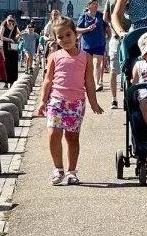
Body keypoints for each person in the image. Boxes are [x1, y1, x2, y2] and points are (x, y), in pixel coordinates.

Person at [36, 16, 103, 185]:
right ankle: (58, 169)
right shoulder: (54, 56)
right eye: (60, 37)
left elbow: (89, 81)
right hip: (56, 101)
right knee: (53, 135)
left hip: (76, 103)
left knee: (72, 138)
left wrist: (93, 101)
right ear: (55, 39)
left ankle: (71, 171)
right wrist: (42, 101)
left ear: (76, 35)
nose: (65, 40)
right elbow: (48, 80)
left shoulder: (85, 56)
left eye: (68, 35)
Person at [103, 0, 129, 108]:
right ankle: (127, 98)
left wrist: (113, 26)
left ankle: (114, 99)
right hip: (130, 36)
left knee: (114, 69)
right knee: (130, 67)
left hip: (116, 37)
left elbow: (105, 17)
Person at [76, 0, 107, 91]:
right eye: (93, 4)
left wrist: (109, 36)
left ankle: (96, 84)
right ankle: (86, 83)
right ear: (88, 5)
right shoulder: (84, 16)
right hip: (87, 44)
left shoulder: (100, 16)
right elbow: (77, 29)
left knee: (97, 63)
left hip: (99, 43)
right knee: (88, 65)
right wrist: (87, 29)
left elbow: (106, 27)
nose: (96, 6)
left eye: (97, 4)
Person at [0, 15, 22, 87]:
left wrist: (16, 38)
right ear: (6, 20)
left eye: (12, 21)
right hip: (5, 47)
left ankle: (12, 81)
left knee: (13, 64)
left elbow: (19, 34)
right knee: (6, 64)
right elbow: (0, 36)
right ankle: (6, 82)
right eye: (9, 20)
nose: (10, 22)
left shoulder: (15, 27)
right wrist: (9, 39)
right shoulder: (3, 27)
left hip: (13, 47)